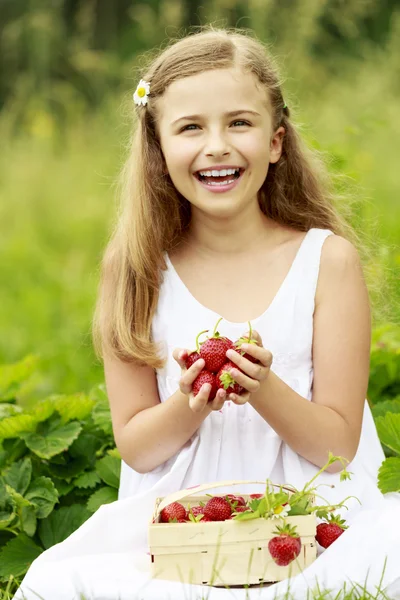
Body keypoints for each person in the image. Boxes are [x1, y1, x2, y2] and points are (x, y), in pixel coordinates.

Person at [15, 26, 400, 600]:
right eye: (191, 127)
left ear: (276, 140)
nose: (216, 145)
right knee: (59, 578)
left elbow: (338, 449)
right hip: (178, 532)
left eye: (239, 122)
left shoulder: (326, 261)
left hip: (313, 521)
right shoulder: (136, 266)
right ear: (158, 147)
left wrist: (264, 388)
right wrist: (190, 404)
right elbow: (139, 446)